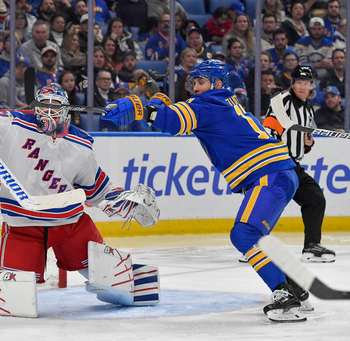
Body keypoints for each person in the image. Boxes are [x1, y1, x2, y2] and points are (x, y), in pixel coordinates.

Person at [102, 59, 311, 323]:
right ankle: (293, 287)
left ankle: (284, 296)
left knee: (244, 235)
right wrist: (155, 108)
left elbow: (174, 121)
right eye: (193, 83)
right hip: (280, 173)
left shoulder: (206, 104)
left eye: (200, 82)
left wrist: (141, 108)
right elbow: (179, 118)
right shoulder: (226, 101)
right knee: (254, 235)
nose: (195, 87)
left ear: (218, 83)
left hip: (268, 176)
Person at [0, 80, 159, 307]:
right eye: (42, 105)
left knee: (113, 281)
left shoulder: (80, 144)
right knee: (12, 298)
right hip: (23, 226)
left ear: (66, 111)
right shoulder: (13, 126)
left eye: (54, 106)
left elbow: (97, 188)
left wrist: (126, 202)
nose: (48, 111)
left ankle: (127, 280)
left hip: (71, 225)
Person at [263, 65, 336, 263]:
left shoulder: (308, 109)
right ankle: (252, 245)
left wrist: (308, 143)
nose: (302, 87)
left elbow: (302, 144)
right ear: (292, 84)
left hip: (292, 164)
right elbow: (269, 126)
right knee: (269, 202)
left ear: (312, 85)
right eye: (299, 83)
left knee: (314, 199)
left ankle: (312, 247)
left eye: (306, 83)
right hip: (276, 163)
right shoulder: (282, 100)